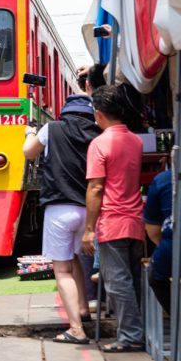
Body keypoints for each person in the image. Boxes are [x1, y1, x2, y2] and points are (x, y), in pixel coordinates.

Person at [23, 94, 101, 344]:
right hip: (86, 210)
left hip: (59, 209)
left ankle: (76, 329)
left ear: (65, 111)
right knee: (77, 259)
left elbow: (28, 153)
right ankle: (81, 309)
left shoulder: (52, 128)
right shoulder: (97, 134)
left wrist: (28, 133)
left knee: (63, 270)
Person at [81, 85, 144, 353]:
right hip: (135, 220)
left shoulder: (99, 144)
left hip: (113, 222)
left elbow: (96, 187)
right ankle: (135, 331)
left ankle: (130, 336)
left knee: (118, 284)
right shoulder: (136, 141)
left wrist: (88, 230)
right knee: (132, 281)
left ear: (98, 114)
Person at [144, 168, 173, 314]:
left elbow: (153, 231)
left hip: (172, 247)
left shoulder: (163, 180)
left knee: (155, 276)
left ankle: (177, 316)